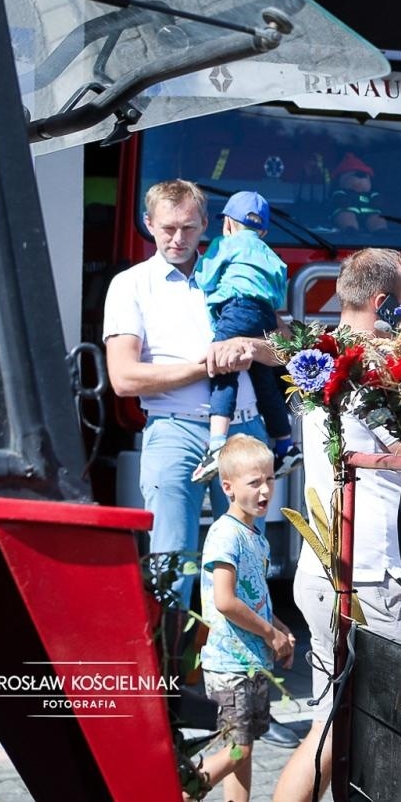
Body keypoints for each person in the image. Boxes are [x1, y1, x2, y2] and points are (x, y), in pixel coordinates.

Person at [273, 248, 401, 802]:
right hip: (373, 579)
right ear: (383, 303)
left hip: (319, 569)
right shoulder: (381, 373)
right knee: (389, 740)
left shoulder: (313, 364)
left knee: (327, 727)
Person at [104, 179, 273, 607]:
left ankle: (241, 669)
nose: (178, 239)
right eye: (167, 229)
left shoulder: (232, 266)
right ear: (148, 225)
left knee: (245, 560)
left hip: (244, 432)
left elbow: (283, 350)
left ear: (206, 226)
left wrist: (250, 347)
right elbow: (123, 378)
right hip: (174, 430)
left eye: (189, 228)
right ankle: (168, 668)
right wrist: (205, 366)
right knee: (171, 564)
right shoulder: (131, 284)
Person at [190, 435, 296, 801]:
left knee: (243, 749)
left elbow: (256, 596)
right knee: (237, 750)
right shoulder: (225, 535)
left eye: (270, 479)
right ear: (228, 488)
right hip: (229, 666)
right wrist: (270, 634)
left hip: (249, 664)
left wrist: (280, 630)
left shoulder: (256, 537)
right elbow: (225, 600)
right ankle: (183, 791)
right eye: (255, 482)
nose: (265, 489)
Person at [189, 191, 299, 483]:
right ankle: (286, 445)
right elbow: (278, 291)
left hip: (236, 307)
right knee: (265, 383)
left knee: (224, 367)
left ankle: (215, 446)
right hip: (264, 314)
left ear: (227, 223)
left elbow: (206, 276)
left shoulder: (225, 244)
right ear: (262, 230)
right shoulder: (271, 254)